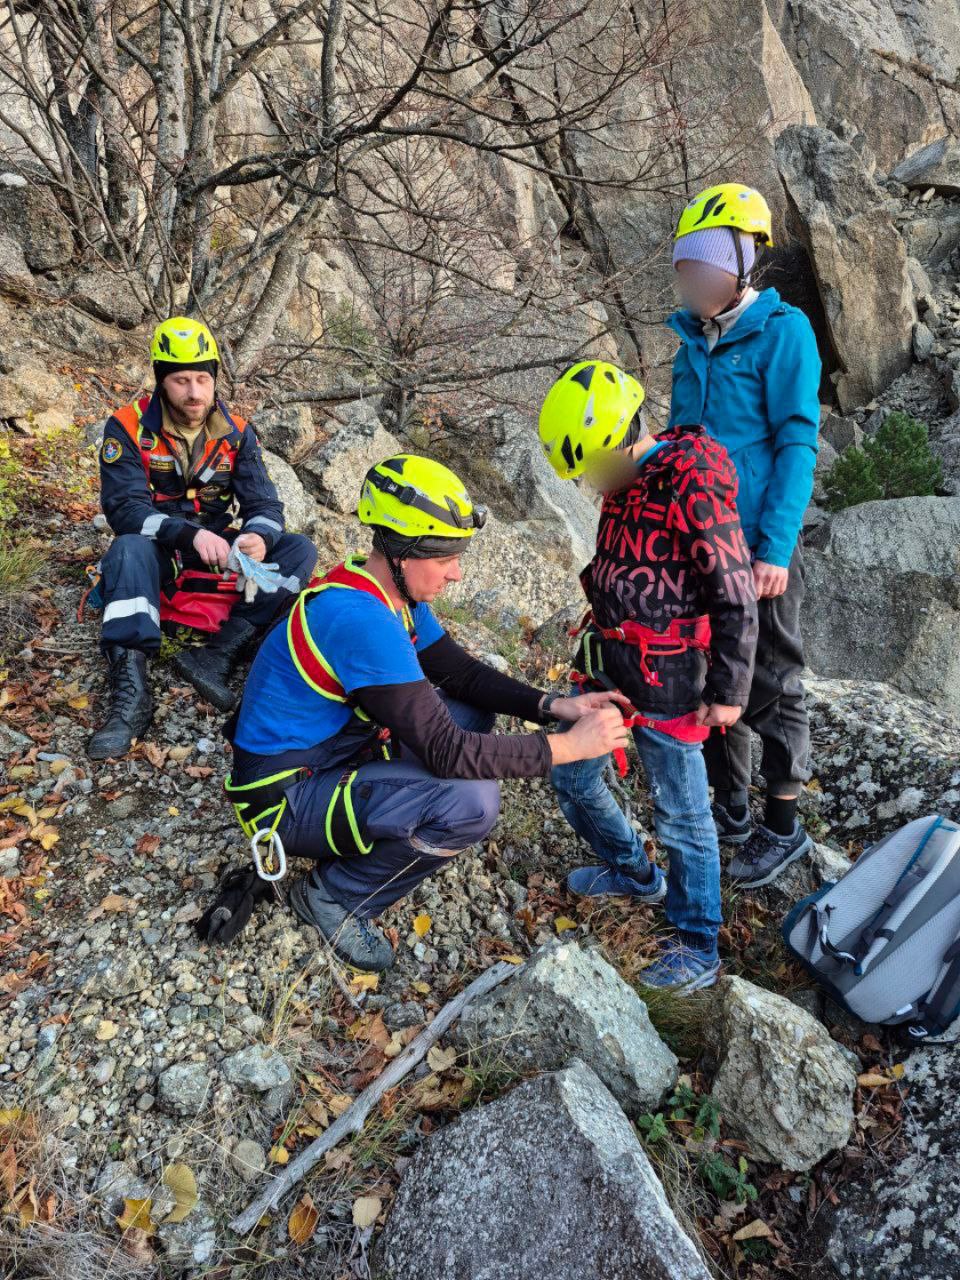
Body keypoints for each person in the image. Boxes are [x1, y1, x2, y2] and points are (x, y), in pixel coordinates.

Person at [219, 453, 629, 971]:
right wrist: (570, 746)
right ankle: (334, 896)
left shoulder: (384, 592)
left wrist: (551, 704)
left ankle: (381, 826)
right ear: (404, 554)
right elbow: (446, 750)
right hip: (280, 800)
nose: (456, 574)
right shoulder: (361, 618)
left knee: (468, 711)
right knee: (472, 803)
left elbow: (460, 673)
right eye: (445, 560)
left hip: (328, 752)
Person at [539, 360, 758, 990]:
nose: (592, 485)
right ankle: (634, 872)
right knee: (573, 773)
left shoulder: (691, 482)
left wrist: (729, 690)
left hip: (674, 683)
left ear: (622, 441)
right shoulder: (623, 482)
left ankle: (697, 939)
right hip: (613, 665)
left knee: (682, 813)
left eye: (593, 469)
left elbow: (735, 592)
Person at [667, 182, 821, 888]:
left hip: (755, 547)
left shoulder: (783, 332)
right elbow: (679, 444)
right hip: (700, 548)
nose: (691, 276)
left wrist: (776, 549)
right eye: (683, 263)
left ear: (742, 260)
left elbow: (796, 443)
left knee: (774, 684)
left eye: (703, 262)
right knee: (711, 675)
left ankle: (781, 825)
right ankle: (727, 811)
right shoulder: (688, 343)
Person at [87, 316, 317, 760]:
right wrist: (185, 534)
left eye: (202, 379)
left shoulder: (237, 431)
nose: (194, 392)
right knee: (127, 549)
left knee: (299, 549)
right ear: (161, 381)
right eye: (180, 380)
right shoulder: (127, 427)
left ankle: (217, 654)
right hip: (161, 549)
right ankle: (130, 696)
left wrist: (258, 538)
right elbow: (125, 510)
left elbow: (266, 506)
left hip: (216, 547)